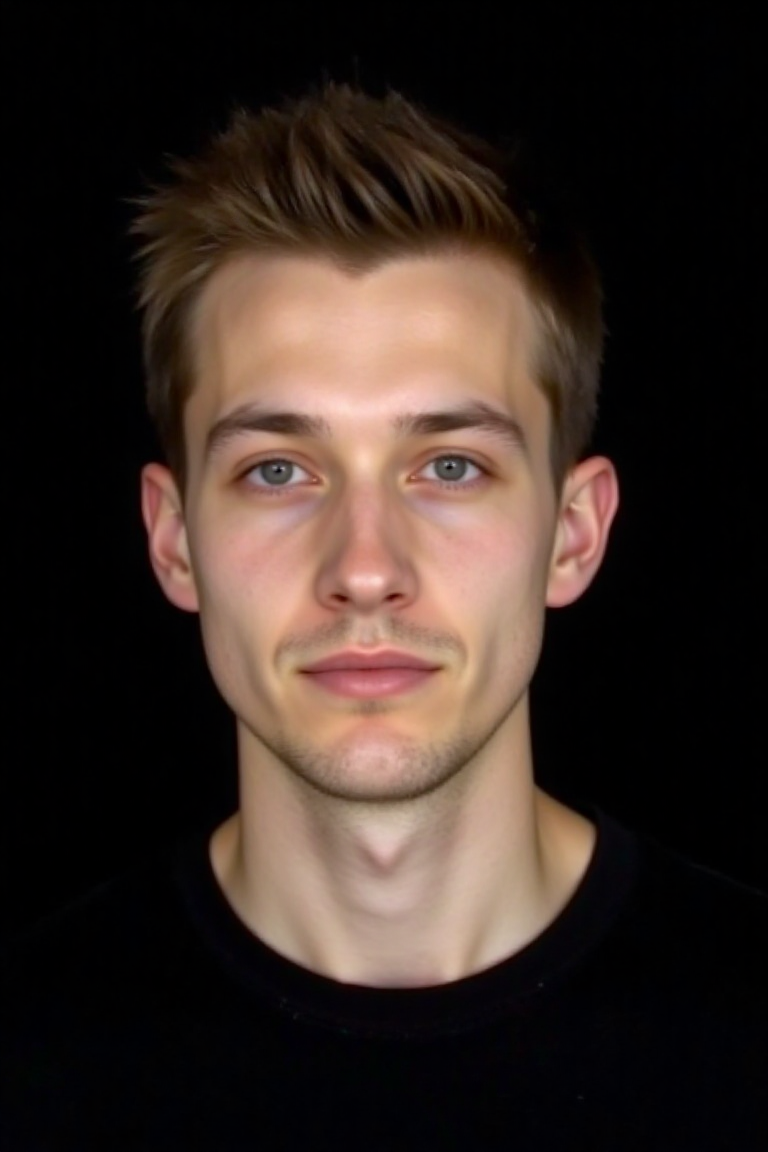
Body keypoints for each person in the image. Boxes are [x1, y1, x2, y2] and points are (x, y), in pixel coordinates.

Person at [3, 83, 765, 1151]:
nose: (365, 570)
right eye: (278, 471)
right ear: (174, 541)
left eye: (449, 466)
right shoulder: (29, 1062)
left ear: (575, 534)